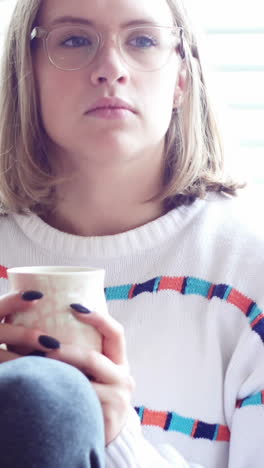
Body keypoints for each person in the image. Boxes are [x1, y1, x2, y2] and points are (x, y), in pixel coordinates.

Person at [0, 0, 263, 466]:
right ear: (27, 72)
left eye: (142, 40)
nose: (110, 69)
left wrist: (118, 437)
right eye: (75, 40)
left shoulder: (249, 268)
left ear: (181, 78)